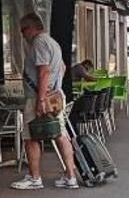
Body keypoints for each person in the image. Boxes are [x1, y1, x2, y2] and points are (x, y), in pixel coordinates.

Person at [10, 13, 79, 191]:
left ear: (31, 28)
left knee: (30, 137)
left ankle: (34, 178)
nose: (22, 35)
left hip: (38, 97)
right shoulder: (52, 43)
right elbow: (62, 67)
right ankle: (70, 176)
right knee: (60, 134)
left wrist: (41, 98)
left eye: (23, 30)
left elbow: (43, 72)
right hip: (55, 96)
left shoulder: (39, 43)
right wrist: (54, 89)